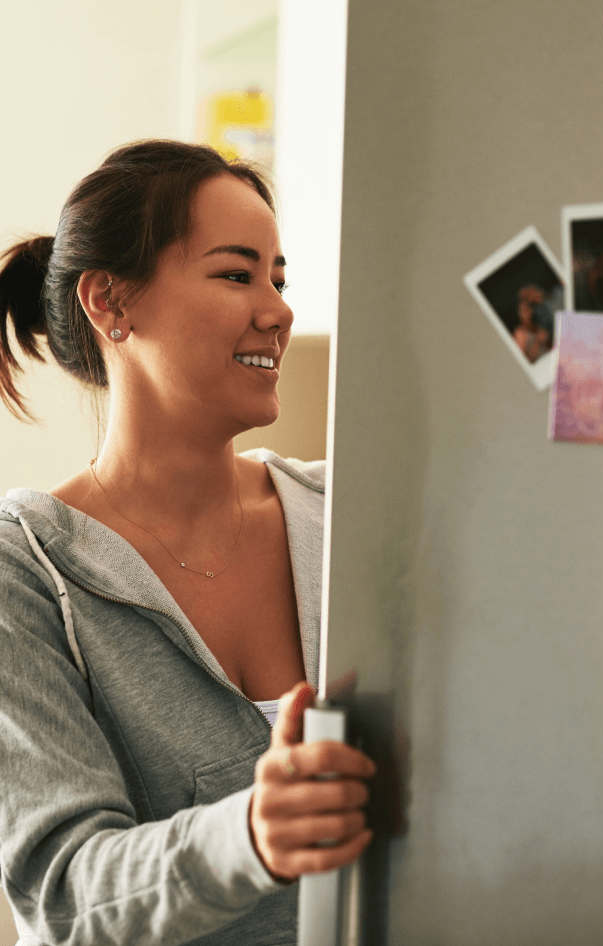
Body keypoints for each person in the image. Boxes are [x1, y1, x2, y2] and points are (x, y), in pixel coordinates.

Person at [0, 139, 375, 946]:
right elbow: (61, 894)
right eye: (238, 275)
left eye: (279, 279)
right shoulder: (26, 571)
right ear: (110, 302)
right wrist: (251, 838)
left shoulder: (349, 511)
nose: (278, 312)